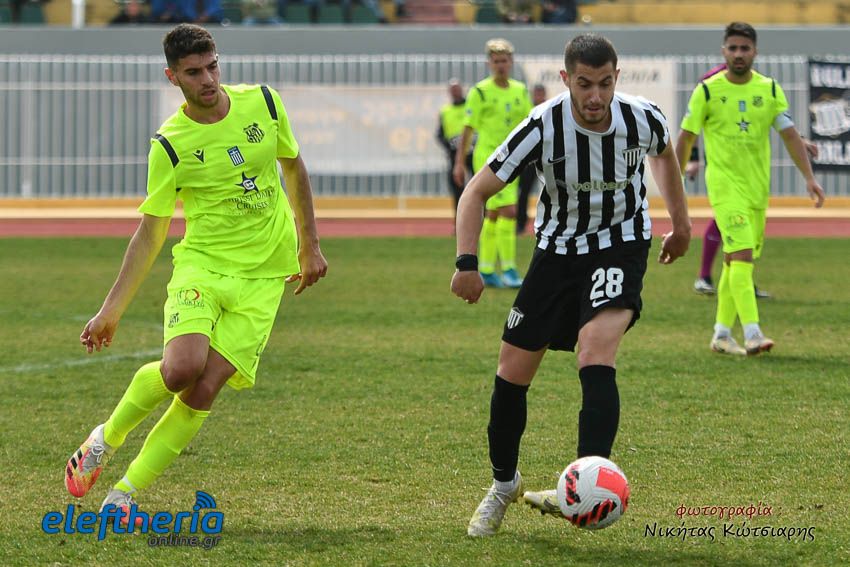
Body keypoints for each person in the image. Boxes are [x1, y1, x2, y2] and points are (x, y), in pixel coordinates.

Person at [65, 24, 328, 522]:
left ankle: (123, 495)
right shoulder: (169, 144)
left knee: (204, 388)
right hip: (202, 267)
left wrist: (309, 245)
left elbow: (294, 168)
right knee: (181, 370)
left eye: (212, 66)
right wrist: (110, 311)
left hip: (265, 276)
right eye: (193, 72)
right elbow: (150, 233)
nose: (207, 79)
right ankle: (105, 439)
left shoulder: (264, 103)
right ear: (173, 77)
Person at [451, 33, 691, 537]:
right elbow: (475, 192)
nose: (595, 96)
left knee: (595, 350)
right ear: (566, 79)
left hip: (621, 245)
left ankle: (587, 487)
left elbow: (664, 155)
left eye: (605, 83)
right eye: (584, 84)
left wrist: (682, 223)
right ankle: (503, 484)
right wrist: (467, 262)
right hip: (557, 253)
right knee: (512, 371)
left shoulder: (642, 117)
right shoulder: (542, 126)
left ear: (617, 78)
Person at [676, 22, 824, 356]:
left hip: (757, 190)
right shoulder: (707, 91)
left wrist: (809, 178)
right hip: (724, 187)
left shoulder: (769, 89)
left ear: (755, 51)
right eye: (733, 48)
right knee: (741, 254)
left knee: (735, 262)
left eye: (745, 48)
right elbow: (686, 137)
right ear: (723, 51)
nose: (738, 54)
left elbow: (789, 135)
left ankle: (721, 334)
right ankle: (753, 332)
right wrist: (677, 180)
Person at [453, 38, 532, 289]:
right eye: (496, 61)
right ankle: (508, 269)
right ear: (489, 63)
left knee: (496, 215)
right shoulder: (480, 92)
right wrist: (459, 162)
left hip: (514, 158)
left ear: (511, 62)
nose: (500, 65)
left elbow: (530, 124)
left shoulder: (520, 90)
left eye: (504, 61)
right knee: (507, 211)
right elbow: (468, 129)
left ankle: (487, 268)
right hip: (489, 158)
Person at [436, 78, 474, 225]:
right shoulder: (445, 111)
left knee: (479, 187)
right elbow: (439, 134)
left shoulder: (471, 107)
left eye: (457, 89)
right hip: (454, 155)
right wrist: (449, 146)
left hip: (474, 153)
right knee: (457, 189)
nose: (455, 92)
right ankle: (460, 223)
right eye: (453, 90)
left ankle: (481, 220)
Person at [516, 83, 548, 234]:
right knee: (524, 192)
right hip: (529, 159)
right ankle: (520, 224)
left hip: (546, 158)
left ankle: (547, 223)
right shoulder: (528, 110)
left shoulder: (550, 110)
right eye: (537, 93)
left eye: (541, 93)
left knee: (549, 191)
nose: (539, 96)